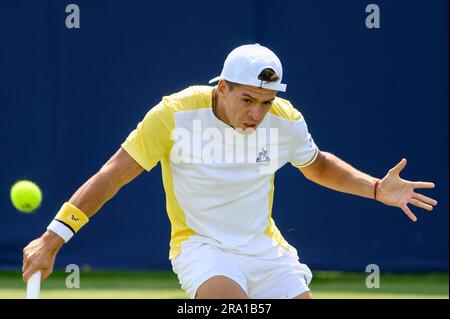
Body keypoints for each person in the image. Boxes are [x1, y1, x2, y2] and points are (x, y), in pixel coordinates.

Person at [22, 44, 438, 299]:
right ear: (221, 87)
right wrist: (53, 237)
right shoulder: (174, 114)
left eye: (266, 102)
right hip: (201, 247)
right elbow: (112, 175)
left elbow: (318, 165)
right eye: (247, 99)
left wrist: (376, 189)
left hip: (263, 248)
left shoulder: (285, 120)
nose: (256, 113)